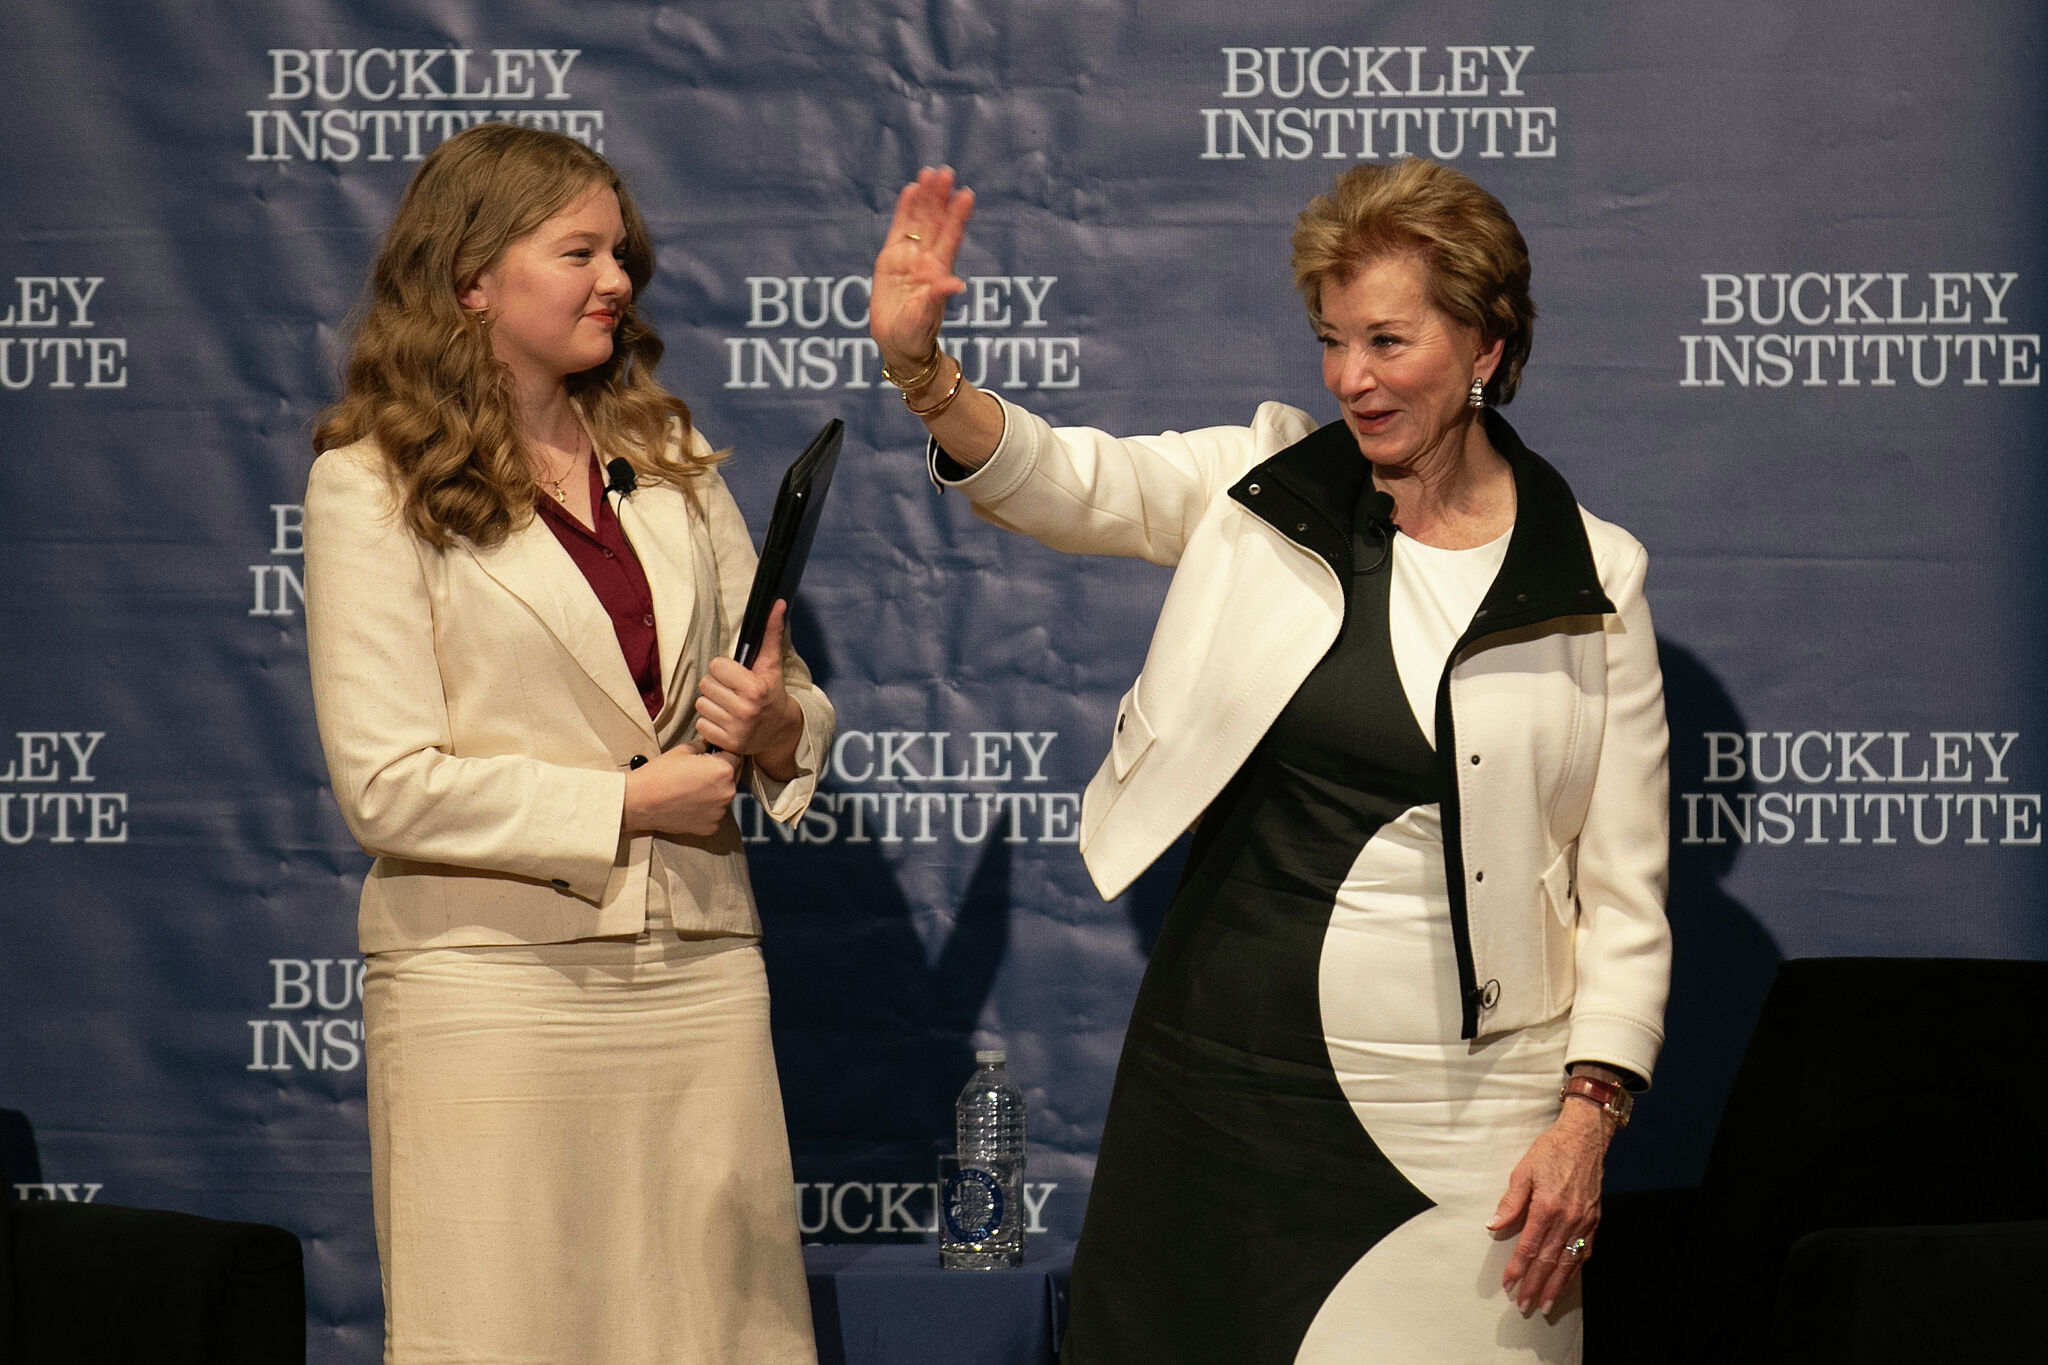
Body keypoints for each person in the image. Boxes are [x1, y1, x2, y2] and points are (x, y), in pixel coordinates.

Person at [868, 160, 1670, 1361]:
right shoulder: (1263, 486)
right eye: (1330, 339)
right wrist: (924, 376)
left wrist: (1585, 1119)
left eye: (1387, 340)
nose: (1351, 377)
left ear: (1484, 348)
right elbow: (1070, 481)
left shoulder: (1591, 575)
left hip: (1459, 1123)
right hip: (1219, 1080)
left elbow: (1623, 894)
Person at [303, 123, 830, 1364]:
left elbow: (783, 687)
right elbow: (388, 789)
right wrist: (630, 804)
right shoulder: (369, 484)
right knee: (509, 1329)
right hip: (489, 990)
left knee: (719, 1335)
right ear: (470, 278)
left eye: (622, 254)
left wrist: (773, 727)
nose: (617, 282)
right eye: (579, 252)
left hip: (698, 974)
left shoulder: (672, 460)